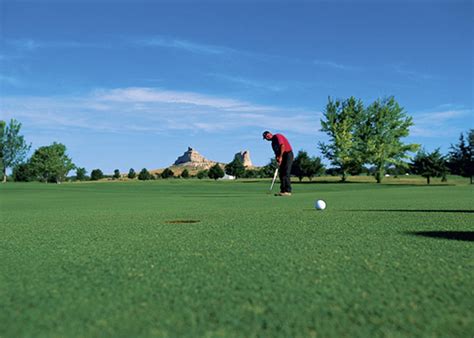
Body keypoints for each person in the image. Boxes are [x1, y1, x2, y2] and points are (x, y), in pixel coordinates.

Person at [262, 131, 294, 196]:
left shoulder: (277, 136)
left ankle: (288, 191)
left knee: (286, 172)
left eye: (268, 136)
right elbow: (276, 153)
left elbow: (282, 146)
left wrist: (281, 156)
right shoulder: (272, 144)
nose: (267, 138)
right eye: (266, 138)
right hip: (282, 156)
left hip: (288, 154)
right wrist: (277, 158)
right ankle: (283, 191)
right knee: (281, 174)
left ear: (270, 134)